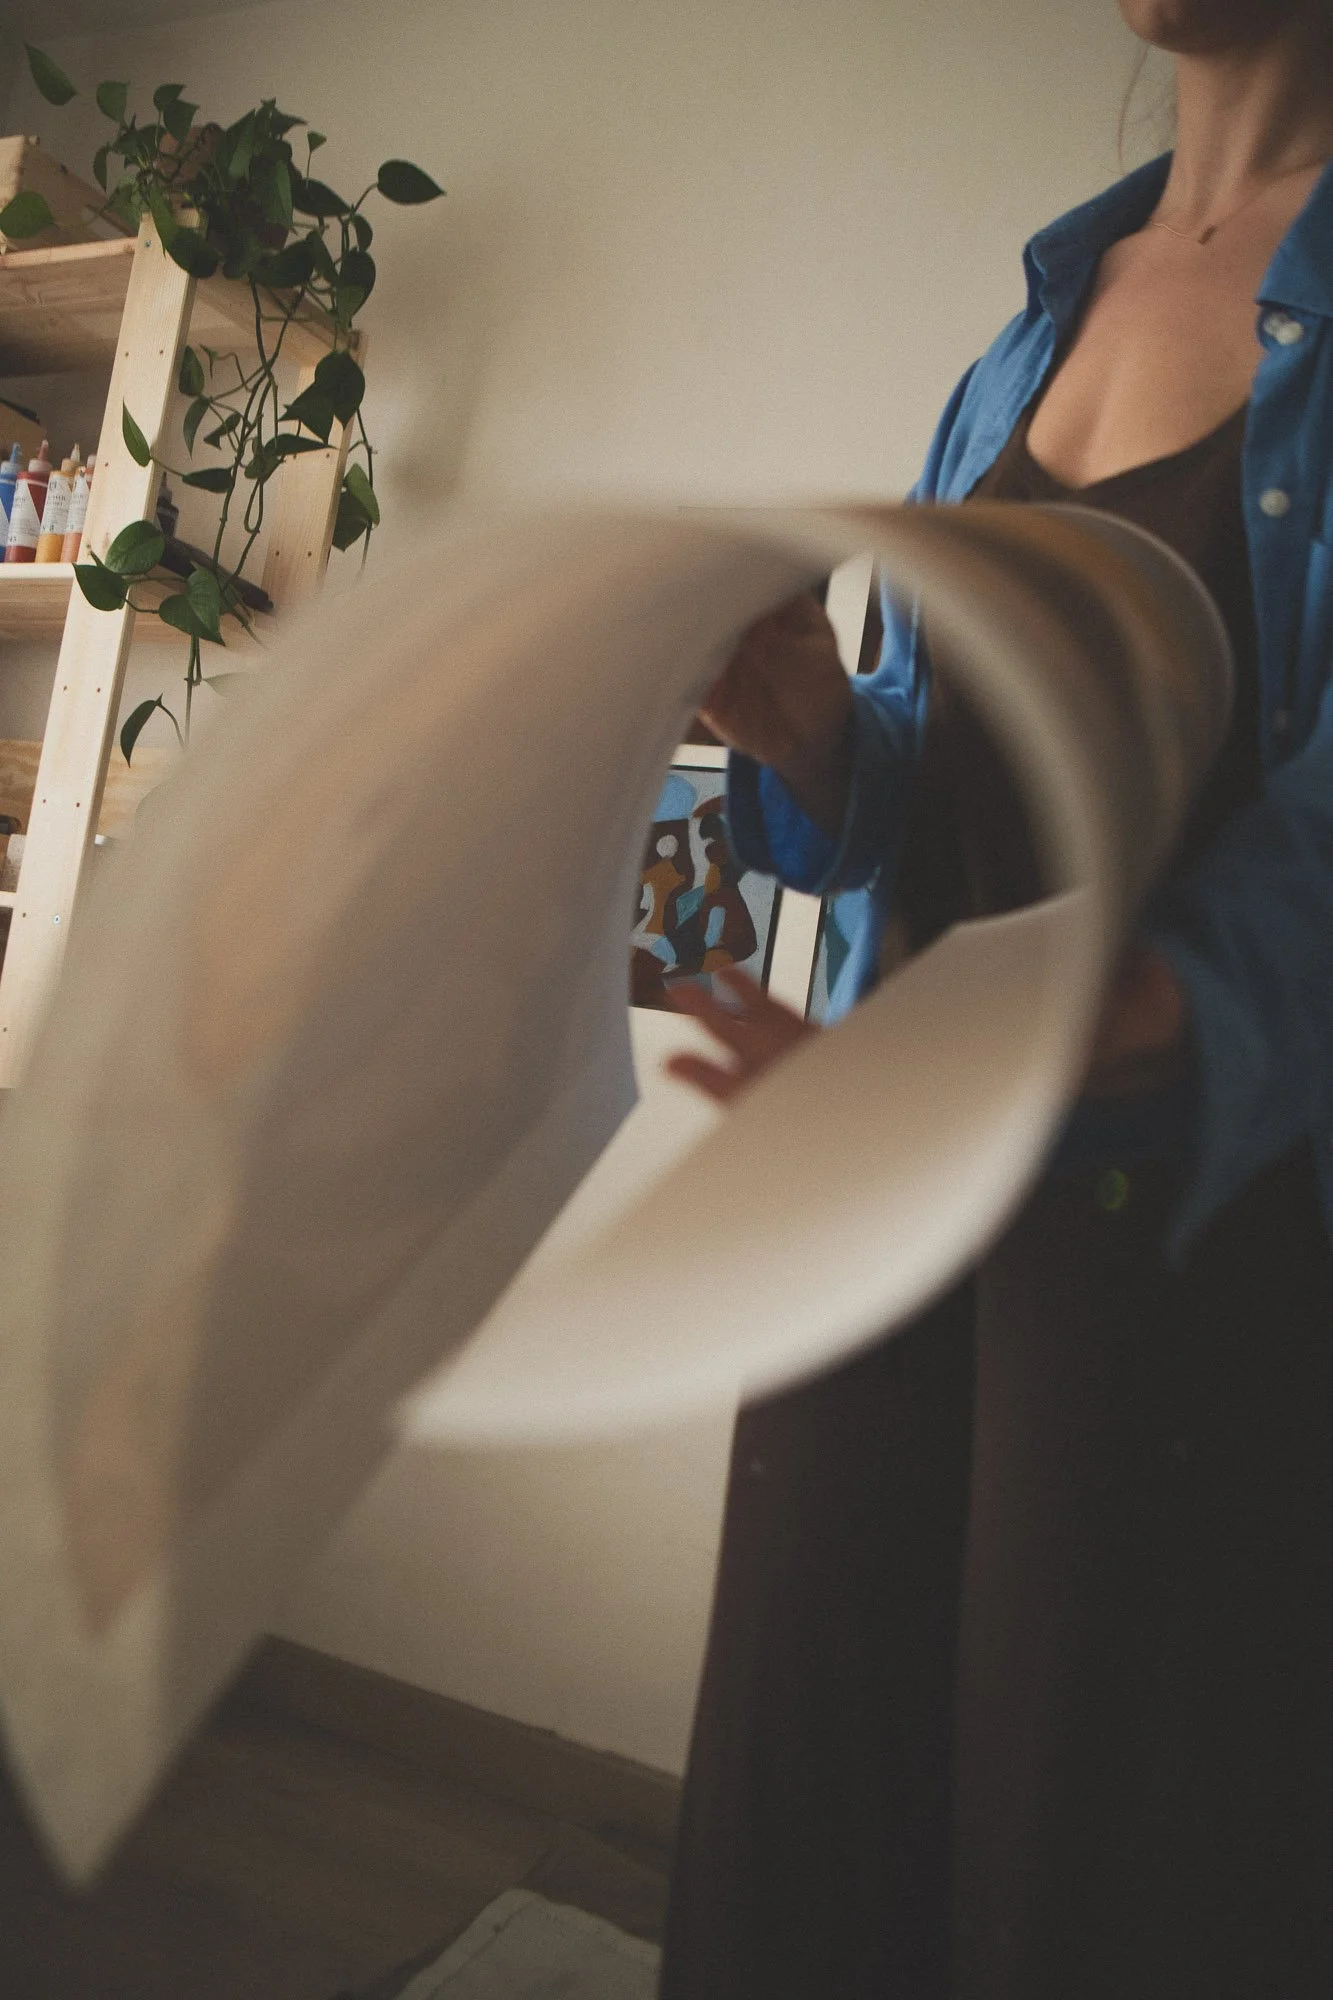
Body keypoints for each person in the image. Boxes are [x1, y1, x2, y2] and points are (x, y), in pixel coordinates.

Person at [658, 4, 1333, 1995]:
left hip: (1178, 1264)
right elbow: (932, 780)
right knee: (800, 1809)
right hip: (890, 1196)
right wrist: (799, 718)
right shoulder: (1027, 328)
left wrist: (1026, 1049)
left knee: (1086, 1864)